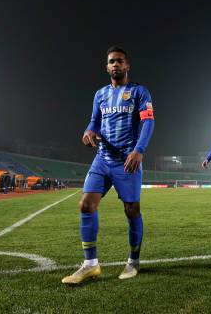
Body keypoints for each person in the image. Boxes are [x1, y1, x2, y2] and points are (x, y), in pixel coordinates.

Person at [61, 46, 155, 285]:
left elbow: (148, 123)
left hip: (127, 161)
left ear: (127, 66)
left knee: (131, 210)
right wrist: (88, 132)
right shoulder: (100, 94)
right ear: (106, 67)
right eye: (111, 62)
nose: (115, 65)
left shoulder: (139, 92)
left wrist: (138, 151)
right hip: (102, 159)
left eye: (119, 61)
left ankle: (133, 261)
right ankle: (90, 264)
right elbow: (94, 122)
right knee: (85, 205)